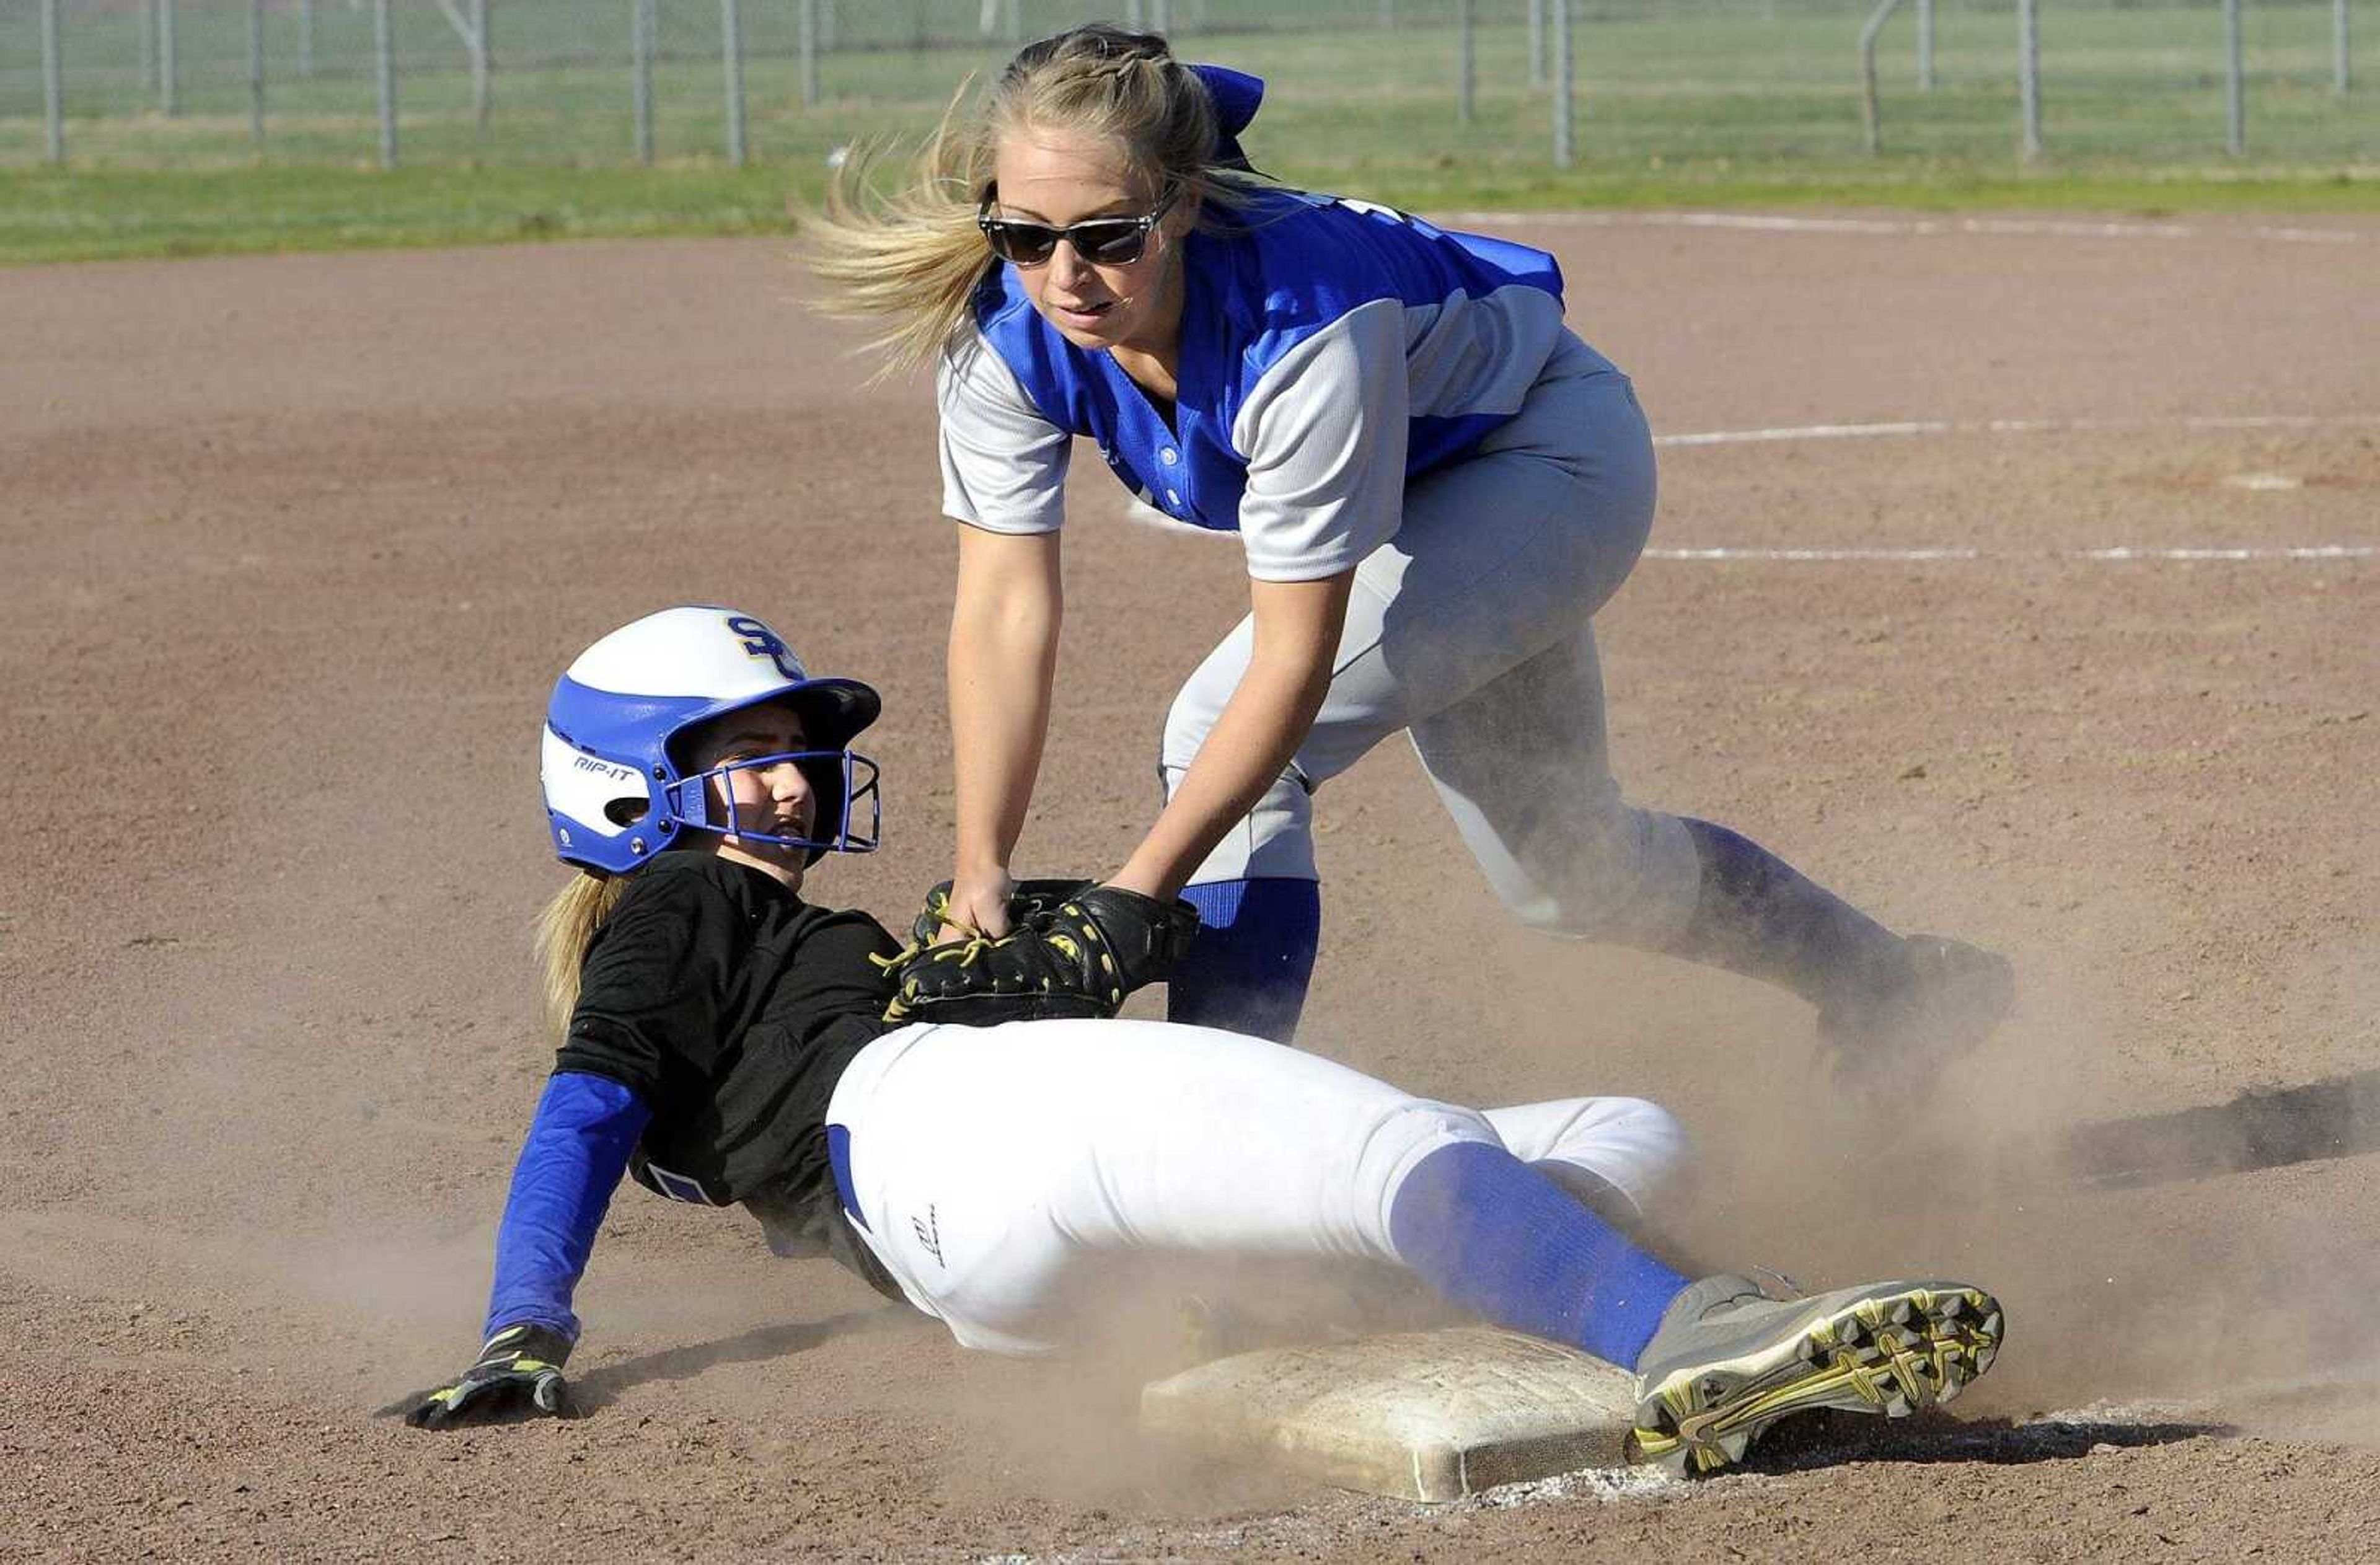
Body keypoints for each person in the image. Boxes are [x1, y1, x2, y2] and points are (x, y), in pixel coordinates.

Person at [402, 604, 2005, 1477]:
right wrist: (524, 1318)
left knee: (1614, 1127)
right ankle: (1688, 1335)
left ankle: (1491, 1294)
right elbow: (582, 1109)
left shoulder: (811, 952)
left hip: (988, 1232)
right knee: (1393, 1150)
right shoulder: (670, 906)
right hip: (941, 1128)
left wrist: (1124, 926)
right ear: (622, 787)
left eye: (792, 757)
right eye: (741, 756)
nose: (787, 784)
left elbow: (1198, 1018)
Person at [805, 24, 2015, 1065]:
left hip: (1541, 464)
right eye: (1024, 233)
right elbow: (1005, 613)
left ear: (1180, 204)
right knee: (1570, 876)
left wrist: (1137, 894)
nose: (1062, 274)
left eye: (1107, 235)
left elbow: (1295, 661)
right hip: (1436, 495)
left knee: (1224, 754)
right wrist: (981, 867)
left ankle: (1215, 1179)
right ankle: (1892, 986)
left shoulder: (1301, 323)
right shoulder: (1006, 330)